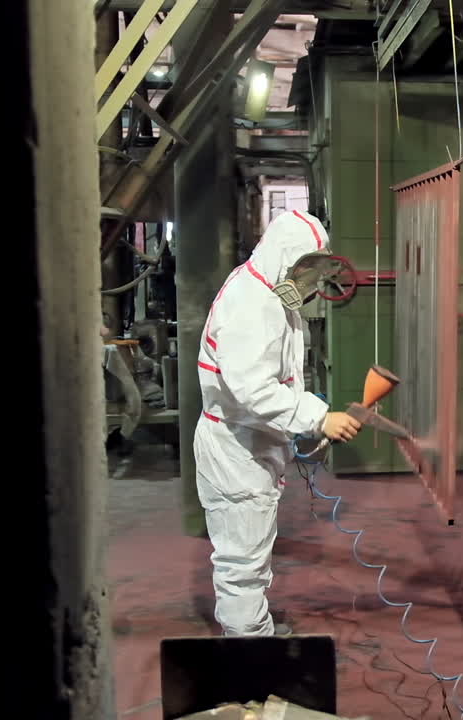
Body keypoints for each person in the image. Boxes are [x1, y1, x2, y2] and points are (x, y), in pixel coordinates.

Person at [194, 209, 361, 636]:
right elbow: (252, 389)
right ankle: (250, 652)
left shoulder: (267, 290)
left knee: (251, 549)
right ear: (282, 257)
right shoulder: (252, 306)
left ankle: (254, 629)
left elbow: (278, 376)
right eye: (303, 271)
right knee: (241, 563)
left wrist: (304, 429)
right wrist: (317, 418)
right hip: (236, 451)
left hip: (251, 441)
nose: (308, 285)